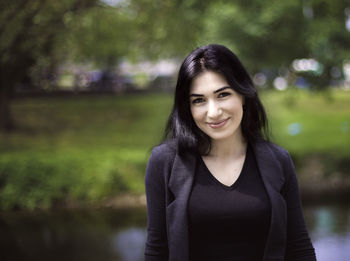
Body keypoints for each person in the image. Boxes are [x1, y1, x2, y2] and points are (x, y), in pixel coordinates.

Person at [144, 44, 316, 261]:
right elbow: (156, 251)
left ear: (243, 94)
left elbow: (299, 247)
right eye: (199, 100)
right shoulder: (164, 162)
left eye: (223, 94)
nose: (213, 112)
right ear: (187, 107)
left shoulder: (278, 160)